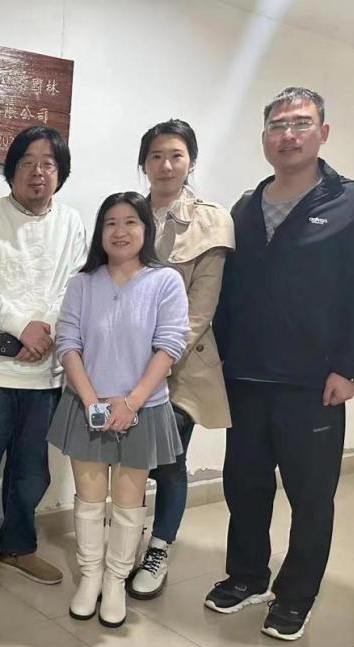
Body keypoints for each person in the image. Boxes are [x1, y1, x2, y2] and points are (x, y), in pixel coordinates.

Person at [206, 87, 354, 640]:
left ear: (322, 133)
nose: (288, 135)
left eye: (301, 123)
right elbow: (227, 294)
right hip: (244, 377)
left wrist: (350, 369)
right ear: (264, 138)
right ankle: (247, 575)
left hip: (313, 384)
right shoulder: (245, 206)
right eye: (278, 126)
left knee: (310, 497)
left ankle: (296, 595)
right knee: (245, 486)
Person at [48, 191, 188, 628]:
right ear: (100, 232)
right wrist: (92, 401)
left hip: (142, 408)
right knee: (89, 499)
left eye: (131, 222)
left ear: (146, 229)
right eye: (111, 223)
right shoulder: (83, 283)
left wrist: (130, 403)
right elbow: (68, 343)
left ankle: (115, 580)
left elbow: (170, 345)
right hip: (85, 404)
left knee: (129, 502)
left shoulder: (165, 281)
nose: (120, 231)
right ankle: (90, 576)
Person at [0, 125, 87, 592]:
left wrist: (44, 331)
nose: (38, 172)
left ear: (60, 173)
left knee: (32, 470)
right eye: (28, 162)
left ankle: (18, 545)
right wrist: (21, 326)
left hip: (45, 372)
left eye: (48, 164)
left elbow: (76, 285)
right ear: (11, 169)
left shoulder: (72, 223)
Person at [127, 119, 234, 600]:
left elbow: (199, 311)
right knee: (127, 459)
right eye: (155, 156)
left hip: (181, 367)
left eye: (176, 155)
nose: (165, 165)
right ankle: (126, 538)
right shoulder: (127, 214)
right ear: (143, 163)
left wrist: (157, 365)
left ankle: (160, 547)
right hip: (123, 364)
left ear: (191, 161)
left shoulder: (212, 221)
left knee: (169, 461)